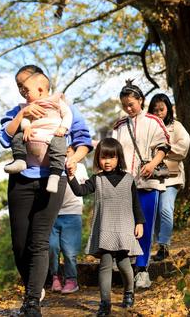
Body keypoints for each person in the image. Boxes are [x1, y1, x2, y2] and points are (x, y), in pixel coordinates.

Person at [0, 65, 92, 316]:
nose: (21, 90)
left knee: (39, 241)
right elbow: (5, 137)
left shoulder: (63, 106)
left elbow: (83, 139)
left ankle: (31, 302)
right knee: (20, 245)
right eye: (18, 86)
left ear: (40, 83)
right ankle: (34, 285)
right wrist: (24, 114)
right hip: (22, 179)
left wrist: (72, 160)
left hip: (54, 178)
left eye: (24, 84)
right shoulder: (18, 109)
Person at [67, 138, 145, 317]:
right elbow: (80, 191)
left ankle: (129, 293)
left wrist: (140, 222)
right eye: (103, 157)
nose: (107, 161)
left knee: (125, 264)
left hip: (125, 227)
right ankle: (105, 303)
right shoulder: (97, 179)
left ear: (119, 158)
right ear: (98, 159)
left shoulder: (128, 179)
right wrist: (71, 176)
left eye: (112, 157)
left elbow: (136, 204)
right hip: (105, 229)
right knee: (105, 264)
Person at [112, 80, 170, 289]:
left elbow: (164, 146)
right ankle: (127, 264)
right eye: (125, 105)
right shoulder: (119, 126)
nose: (128, 108)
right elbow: (113, 152)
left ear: (141, 101)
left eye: (132, 104)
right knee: (125, 225)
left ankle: (143, 270)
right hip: (125, 183)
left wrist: (153, 163)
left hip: (148, 182)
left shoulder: (153, 121)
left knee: (144, 226)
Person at [4, 72, 71, 194]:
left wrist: (64, 127)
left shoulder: (57, 101)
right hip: (32, 139)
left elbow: (67, 114)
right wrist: (26, 127)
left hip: (52, 136)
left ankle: (55, 175)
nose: (24, 93)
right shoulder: (28, 106)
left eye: (27, 90)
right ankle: (20, 160)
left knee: (60, 142)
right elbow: (25, 119)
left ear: (40, 90)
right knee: (18, 136)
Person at [147, 93, 190, 261]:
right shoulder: (149, 127)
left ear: (168, 109)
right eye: (155, 109)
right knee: (155, 212)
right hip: (152, 177)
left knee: (166, 209)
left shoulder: (176, 126)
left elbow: (183, 148)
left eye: (161, 109)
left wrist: (164, 150)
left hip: (172, 177)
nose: (158, 112)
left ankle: (164, 246)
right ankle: (159, 245)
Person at [48, 161, 88, 295]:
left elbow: (84, 188)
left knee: (69, 251)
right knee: (52, 247)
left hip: (72, 212)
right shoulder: (50, 165)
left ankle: (71, 280)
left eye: (69, 150)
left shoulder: (80, 167)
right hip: (52, 213)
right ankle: (55, 277)